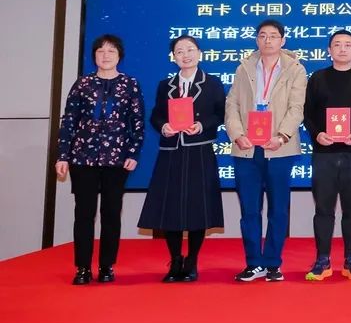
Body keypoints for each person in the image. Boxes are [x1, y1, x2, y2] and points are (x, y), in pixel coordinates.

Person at [55, 34, 145, 285]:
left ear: (119, 56)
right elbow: (69, 121)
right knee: (84, 213)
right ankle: (82, 268)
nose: (106, 56)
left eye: (111, 51)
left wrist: (133, 153)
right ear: (94, 55)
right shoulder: (82, 84)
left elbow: (137, 123)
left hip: (117, 160)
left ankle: (107, 266)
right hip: (82, 158)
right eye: (101, 51)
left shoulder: (130, 84)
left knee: (111, 213)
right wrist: (62, 155)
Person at [225, 19, 307, 282]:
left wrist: (281, 136)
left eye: (273, 36)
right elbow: (232, 104)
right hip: (247, 148)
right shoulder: (244, 67)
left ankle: (272, 263)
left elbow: (297, 108)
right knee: (249, 209)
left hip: (279, 148)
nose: (268, 40)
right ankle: (253, 263)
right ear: (257, 40)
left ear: (283, 40)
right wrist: (237, 135)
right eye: (262, 35)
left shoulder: (295, 69)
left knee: (278, 209)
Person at [138, 35, 225, 282]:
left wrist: (202, 125)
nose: (185, 55)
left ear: (199, 53)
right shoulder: (165, 85)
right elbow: (156, 115)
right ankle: (175, 260)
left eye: (190, 50)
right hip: (171, 151)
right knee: (171, 208)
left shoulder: (212, 83)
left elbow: (221, 114)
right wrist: (163, 126)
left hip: (199, 150)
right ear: (173, 57)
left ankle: (192, 260)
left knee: (198, 207)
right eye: (179, 51)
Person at [302, 30, 351, 281]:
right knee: (323, 208)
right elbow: (307, 113)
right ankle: (322, 259)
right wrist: (317, 134)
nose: (342, 49)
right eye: (337, 45)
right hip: (323, 154)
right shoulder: (318, 78)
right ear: (329, 50)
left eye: (347, 45)